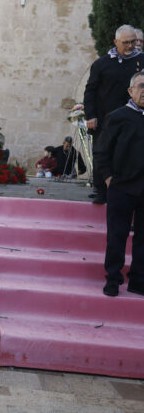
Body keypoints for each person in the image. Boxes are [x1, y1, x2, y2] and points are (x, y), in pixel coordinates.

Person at [95, 71, 144, 297]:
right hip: (121, 187)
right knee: (117, 235)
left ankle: (138, 280)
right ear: (130, 91)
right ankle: (113, 279)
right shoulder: (118, 116)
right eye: (141, 86)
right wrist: (108, 179)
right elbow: (102, 152)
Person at [84, 24, 144, 204]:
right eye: (126, 42)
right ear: (115, 42)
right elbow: (91, 90)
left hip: (135, 118)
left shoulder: (142, 61)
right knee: (102, 152)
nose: (131, 46)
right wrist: (90, 115)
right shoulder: (101, 64)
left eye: (134, 42)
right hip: (105, 118)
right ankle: (101, 190)